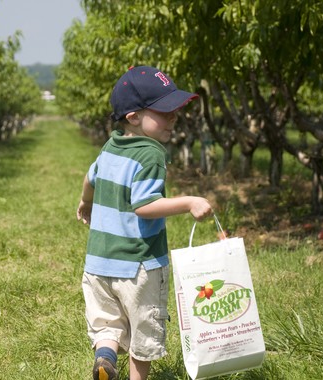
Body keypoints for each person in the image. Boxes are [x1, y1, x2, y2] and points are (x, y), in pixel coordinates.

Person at [76, 65, 214, 380]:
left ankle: (106, 359)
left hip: (98, 263)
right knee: (143, 334)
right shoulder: (151, 154)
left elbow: (90, 177)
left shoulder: (111, 146)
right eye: (165, 112)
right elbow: (146, 205)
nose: (174, 117)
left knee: (107, 324)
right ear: (133, 116)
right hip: (139, 266)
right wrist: (189, 202)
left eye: (175, 110)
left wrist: (85, 202)